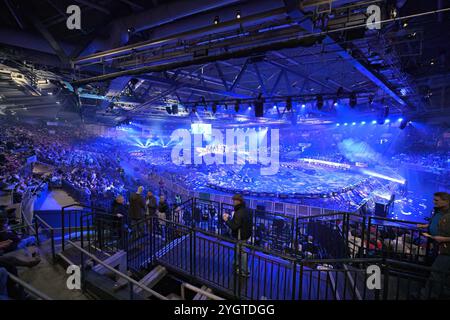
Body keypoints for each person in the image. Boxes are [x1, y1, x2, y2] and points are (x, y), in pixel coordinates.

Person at [419, 192, 450, 299]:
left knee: (436, 272)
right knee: (439, 273)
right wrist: (425, 226)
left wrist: (443, 239)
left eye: (436, 200)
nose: (434, 202)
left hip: (447, 250)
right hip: (439, 247)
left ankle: (427, 296)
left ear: (446, 201)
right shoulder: (439, 211)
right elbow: (435, 223)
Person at [222, 194, 253, 277]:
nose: (233, 202)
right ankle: (237, 264)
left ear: (238, 201)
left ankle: (245, 271)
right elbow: (239, 222)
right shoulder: (247, 210)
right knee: (239, 249)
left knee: (242, 252)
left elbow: (234, 226)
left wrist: (226, 220)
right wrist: (231, 218)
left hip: (240, 235)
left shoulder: (238, 212)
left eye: (234, 200)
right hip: (246, 234)